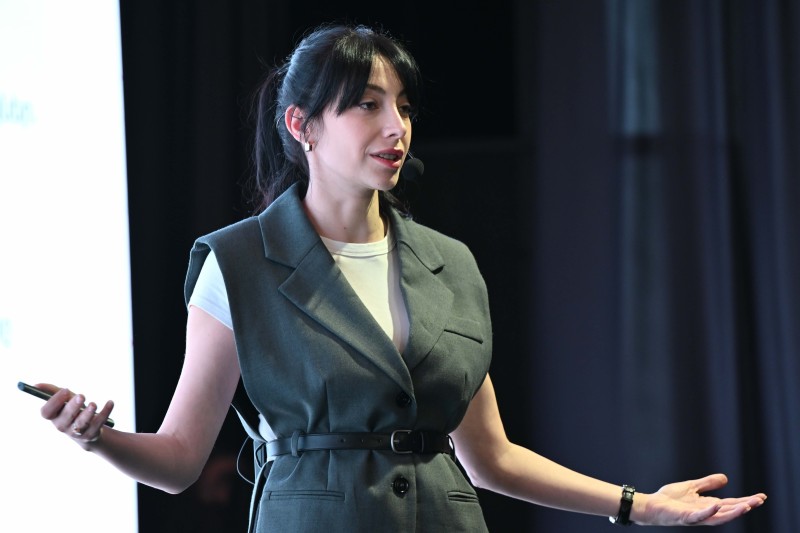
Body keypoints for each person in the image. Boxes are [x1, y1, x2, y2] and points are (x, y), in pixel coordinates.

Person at [33, 23, 766, 532]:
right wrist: (97, 437)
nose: (397, 126)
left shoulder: (450, 263)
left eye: (404, 107)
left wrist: (639, 505)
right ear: (301, 125)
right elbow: (178, 460)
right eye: (367, 104)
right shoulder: (240, 261)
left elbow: (492, 457)